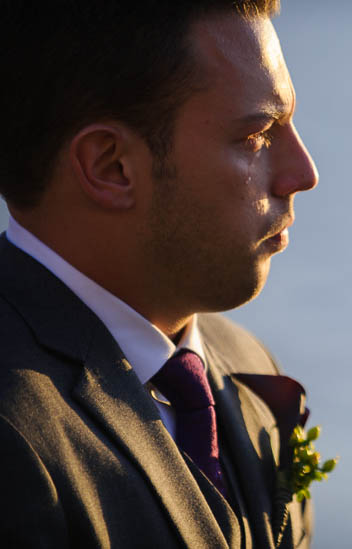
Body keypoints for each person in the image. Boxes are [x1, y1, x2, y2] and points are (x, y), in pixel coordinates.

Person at [0, 1, 319, 547]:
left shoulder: (250, 368)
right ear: (111, 166)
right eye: (257, 135)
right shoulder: (14, 437)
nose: (302, 174)